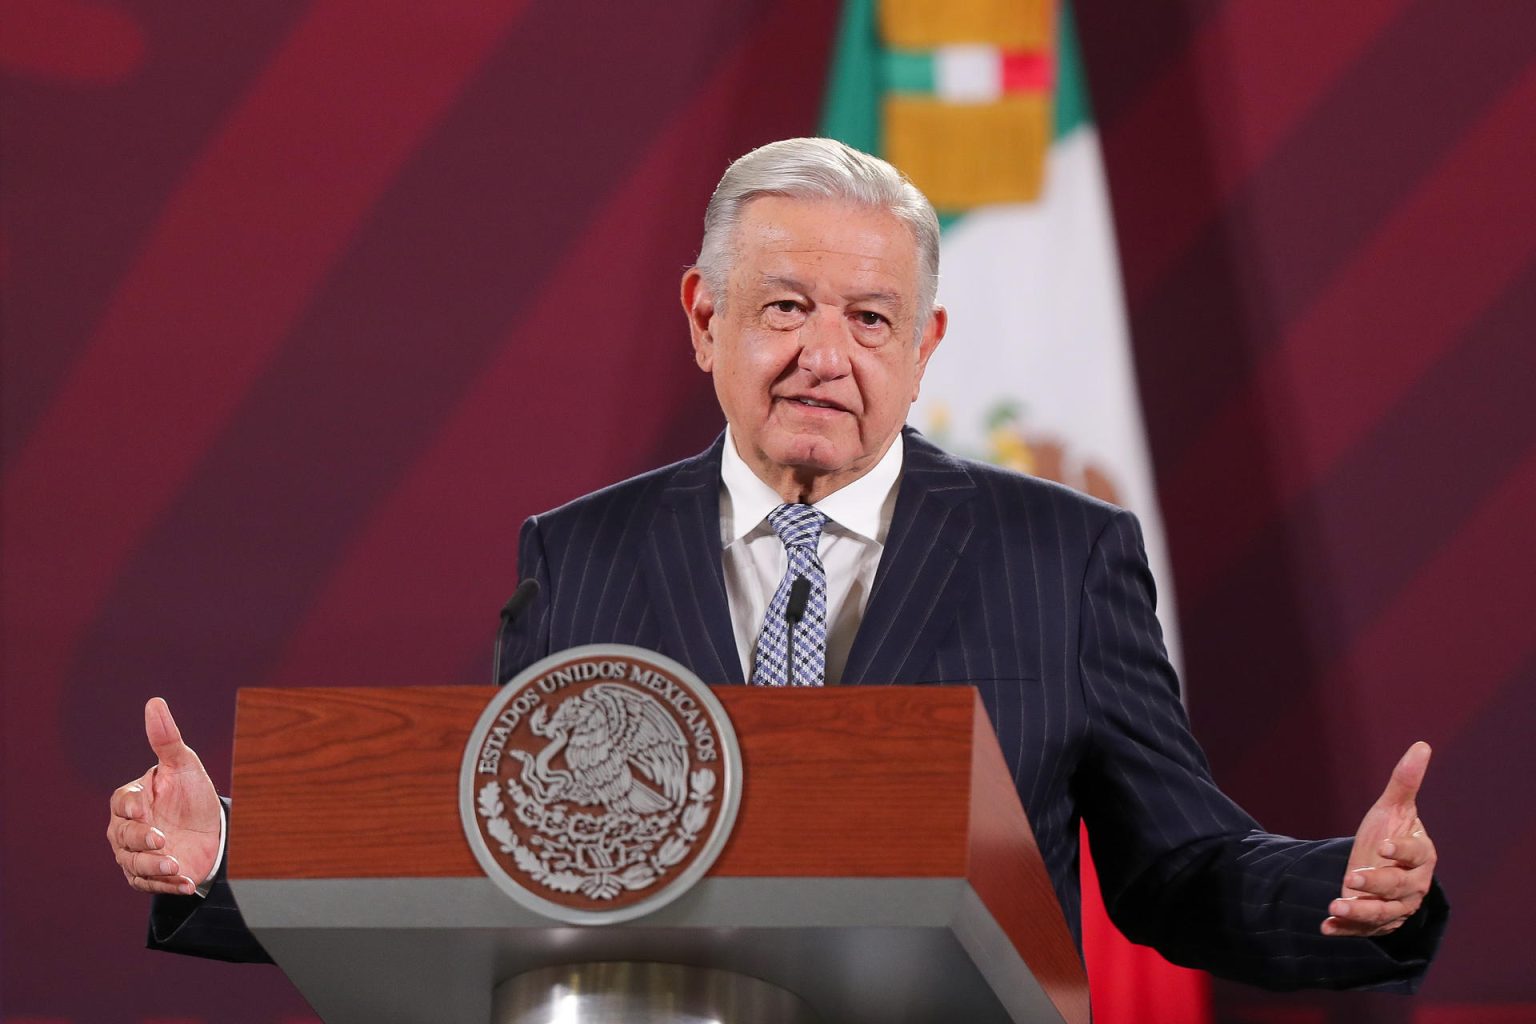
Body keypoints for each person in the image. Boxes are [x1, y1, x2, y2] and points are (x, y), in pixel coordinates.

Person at [108, 138, 1445, 986]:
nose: (827, 353)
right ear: (706, 316)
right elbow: (494, 854)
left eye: (871, 319)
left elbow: (1177, 869)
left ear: (924, 348)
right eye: (786, 307)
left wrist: (1345, 891)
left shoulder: (1066, 556)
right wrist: (230, 861)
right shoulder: (579, 554)